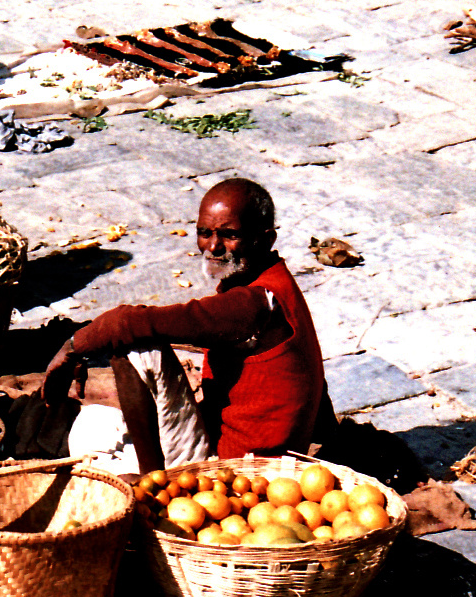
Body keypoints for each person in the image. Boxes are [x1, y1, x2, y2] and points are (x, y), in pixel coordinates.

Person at [41, 178, 334, 472]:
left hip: (237, 469)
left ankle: (154, 484)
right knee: (94, 422)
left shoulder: (255, 302)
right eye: (205, 233)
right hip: (230, 442)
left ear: (266, 239)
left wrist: (72, 349)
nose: (214, 246)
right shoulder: (278, 284)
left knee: (130, 345)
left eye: (230, 235)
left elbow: (128, 321)